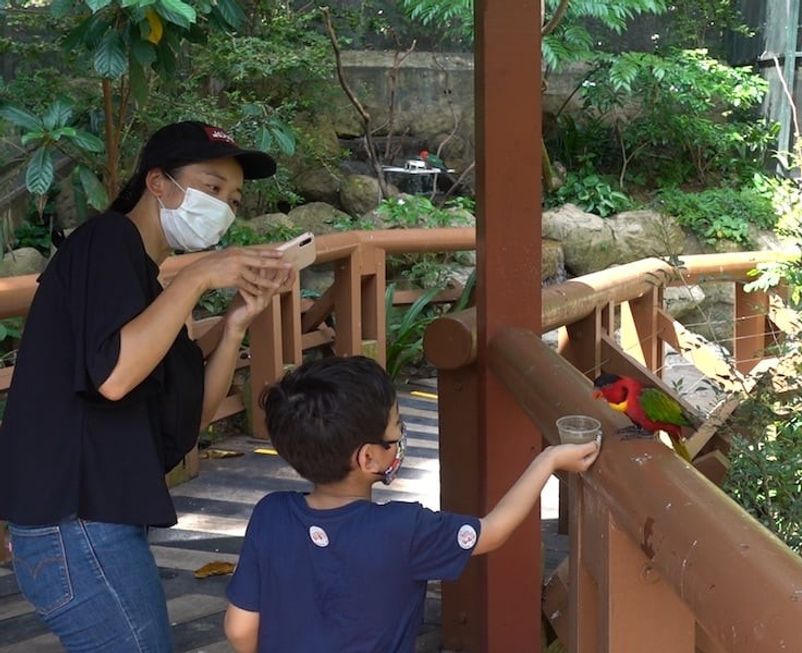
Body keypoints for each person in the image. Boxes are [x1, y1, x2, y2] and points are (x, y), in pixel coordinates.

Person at [0, 121, 295, 652]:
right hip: (75, 520)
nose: (225, 206)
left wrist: (234, 326)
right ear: (157, 183)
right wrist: (198, 277)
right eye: (211, 187)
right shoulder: (106, 241)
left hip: (99, 522)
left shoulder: (149, 283)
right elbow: (113, 378)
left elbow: (190, 418)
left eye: (233, 197)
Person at [223, 356, 600, 653]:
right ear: (368, 458)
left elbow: (240, 631)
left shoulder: (270, 514)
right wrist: (547, 461)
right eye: (396, 426)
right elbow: (494, 530)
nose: (401, 434)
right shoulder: (406, 529)